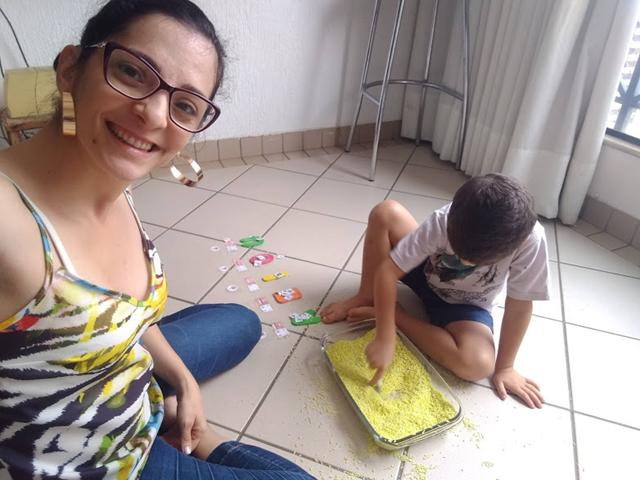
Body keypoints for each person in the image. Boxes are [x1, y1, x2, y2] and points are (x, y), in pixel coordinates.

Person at [0, 1, 314, 478]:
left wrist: (184, 382)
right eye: (132, 72)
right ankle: (198, 442)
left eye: (184, 105)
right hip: (102, 461)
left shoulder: (112, 180)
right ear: (70, 68)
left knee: (242, 322)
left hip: (121, 369)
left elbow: (122, 311)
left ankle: (167, 408)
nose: (152, 114)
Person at [320, 174, 550, 409]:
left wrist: (506, 367)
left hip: (466, 306)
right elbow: (387, 273)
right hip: (424, 270)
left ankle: (397, 315)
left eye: (472, 261)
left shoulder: (531, 241)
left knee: (477, 365)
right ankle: (368, 296)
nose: (462, 262)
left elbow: (519, 307)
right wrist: (385, 336)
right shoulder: (446, 219)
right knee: (385, 212)